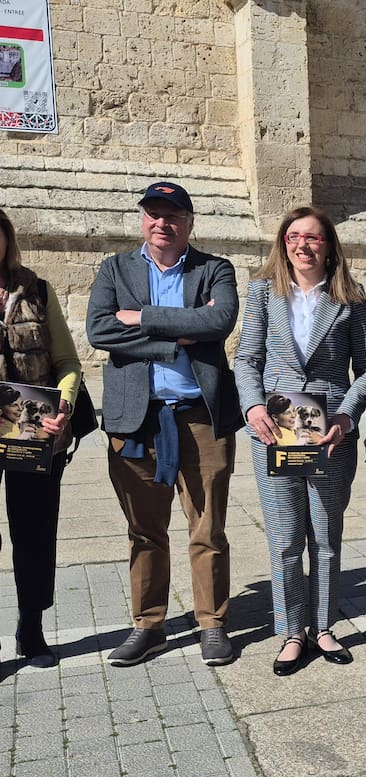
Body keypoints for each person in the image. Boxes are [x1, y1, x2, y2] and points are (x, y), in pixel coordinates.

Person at [86, 181, 241, 667]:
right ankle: (148, 624)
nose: (162, 223)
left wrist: (141, 317)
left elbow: (219, 323)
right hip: (136, 421)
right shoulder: (115, 268)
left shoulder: (214, 269)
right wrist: (174, 338)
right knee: (145, 529)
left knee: (208, 525)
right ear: (142, 220)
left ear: (189, 222)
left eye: (172, 215)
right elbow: (100, 330)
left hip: (200, 418)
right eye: (153, 213)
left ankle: (212, 623)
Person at [235, 206, 366, 677]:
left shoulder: (351, 299)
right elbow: (247, 359)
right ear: (283, 243)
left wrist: (347, 416)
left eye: (312, 238)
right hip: (274, 428)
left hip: (328, 430)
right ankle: (292, 631)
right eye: (294, 236)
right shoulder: (262, 293)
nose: (302, 245)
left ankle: (325, 626)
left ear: (329, 245)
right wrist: (253, 407)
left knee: (326, 535)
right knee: (286, 537)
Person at [0, 208, 83, 667]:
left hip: (33, 431)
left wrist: (63, 408)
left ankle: (31, 627)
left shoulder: (38, 290)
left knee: (33, 532)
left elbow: (68, 362)